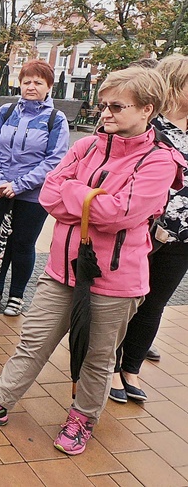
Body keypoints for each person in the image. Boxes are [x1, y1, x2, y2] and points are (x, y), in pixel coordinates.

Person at [0, 67, 185, 456]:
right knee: (33, 340)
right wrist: (90, 197)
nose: (105, 113)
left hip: (116, 279)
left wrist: (77, 194)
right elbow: (49, 196)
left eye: (116, 106)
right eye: (103, 105)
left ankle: (82, 419)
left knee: (96, 357)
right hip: (63, 268)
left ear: (147, 109)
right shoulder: (87, 147)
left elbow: (120, 213)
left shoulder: (161, 161)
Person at [109, 55, 188, 403]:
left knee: (155, 302)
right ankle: (108, 367)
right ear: (174, 85)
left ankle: (131, 368)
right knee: (124, 302)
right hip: (144, 228)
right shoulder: (149, 127)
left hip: (184, 235)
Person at [0, 60, 69, 316]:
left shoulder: (55, 119)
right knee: (0, 240)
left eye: (38, 82)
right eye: (27, 81)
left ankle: (16, 295)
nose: (31, 87)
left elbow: (55, 159)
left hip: (32, 195)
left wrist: (19, 185)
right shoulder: (6, 112)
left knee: (23, 243)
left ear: (48, 87)